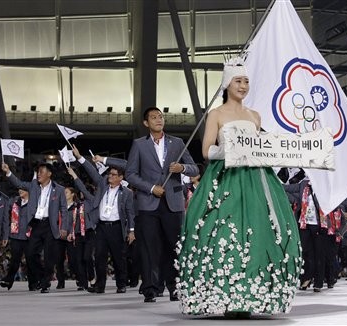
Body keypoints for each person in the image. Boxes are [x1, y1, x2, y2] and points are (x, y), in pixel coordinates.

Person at [176, 62, 302, 317]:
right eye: (238, 81)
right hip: (226, 177)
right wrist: (231, 148)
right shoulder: (217, 114)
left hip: (257, 178)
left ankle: (253, 294)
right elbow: (206, 151)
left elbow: (263, 147)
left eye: (245, 81)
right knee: (223, 229)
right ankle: (223, 294)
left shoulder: (255, 115)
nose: (243, 86)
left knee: (259, 231)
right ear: (227, 84)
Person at [126, 107, 199, 303]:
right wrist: (151, 188)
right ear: (145, 123)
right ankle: (150, 289)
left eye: (161, 116)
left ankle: (175, 287)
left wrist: (181, 167)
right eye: (153, 117)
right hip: (148, 204)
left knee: (173, 246)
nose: (158, 119)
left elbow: (194, 168)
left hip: (173, 203)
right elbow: (130, 174)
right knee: (150, 248)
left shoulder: (177, 143)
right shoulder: (139, 145)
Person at [71, 146, 135, 294]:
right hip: (101, 227)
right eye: (109, 174)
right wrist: (80, 157)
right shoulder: (102, 185)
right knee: (99, 256)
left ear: (121, 178)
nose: (109, 177)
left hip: (117, 227)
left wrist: (131, 230)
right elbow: (92, 171)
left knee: (118, 258)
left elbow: (130, 213)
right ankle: (100, 286)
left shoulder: (126, 193)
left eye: (113, 175)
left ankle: (121, 284)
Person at [2, 162, 70, 293]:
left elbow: (64, 210)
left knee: (49, 257)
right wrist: (8, 172)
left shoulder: (59, 189)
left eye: (41, 172)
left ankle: (45, 284)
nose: (38, 174)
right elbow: (19, 184)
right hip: (36, 224)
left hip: (50, 226)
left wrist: (64, 228)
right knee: (30, 253)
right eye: (38, 172)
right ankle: (43, 276)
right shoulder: (33, 186)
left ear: (49, 174)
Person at [0, 188, 38, 291]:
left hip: (29, 236)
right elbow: (5, 216)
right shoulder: (14, 201)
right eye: (19, 189)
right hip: (16, 235)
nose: (20, 191)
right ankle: (8, 280)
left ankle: (33, 283)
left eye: (23, 189)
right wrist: (6, 235)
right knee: (14, 260)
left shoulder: (35, 202)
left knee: (31, 261)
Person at [66, 169, 97, 291]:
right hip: (78, 234)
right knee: (78, 259)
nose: (82, 193)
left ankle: (91, 277)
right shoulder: (77, 205)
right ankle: (83, 283)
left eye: (84, 191)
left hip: (89, 233)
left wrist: (74, 175)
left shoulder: (92, 202)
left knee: (87, 257)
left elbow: (83, 188)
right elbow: (71, 220)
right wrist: (70, 232)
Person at [55, 187, 78, 289]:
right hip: (60, 236)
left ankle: (79, 277)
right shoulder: (59, 207)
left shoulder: (77, 207)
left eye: (66, 192)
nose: (64, 194)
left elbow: (78, 222)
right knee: (59, 259)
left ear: (72, 194)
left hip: (71, 236)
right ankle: (60, 281)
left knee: (73, 259)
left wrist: (73, 233)